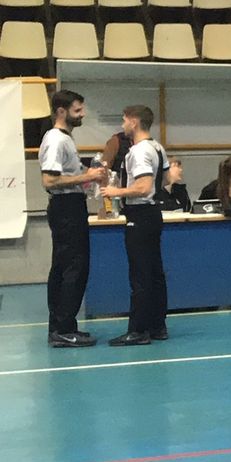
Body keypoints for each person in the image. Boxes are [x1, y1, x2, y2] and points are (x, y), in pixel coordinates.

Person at [40, 89, 106, 348]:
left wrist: (86, 173)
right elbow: (50, 179)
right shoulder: (56, 140)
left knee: (65, 266)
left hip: (70, 205)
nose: (82, 115)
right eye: (77, 111)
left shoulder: (65, 139)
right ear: (61, 111)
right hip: (66, 207)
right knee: (73, 267)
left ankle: (62, 325)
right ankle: (63, 328)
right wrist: (86, 177)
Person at [102, 105, 171, 346]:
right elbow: (167, 178)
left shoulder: (140, 151)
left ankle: (138, 330)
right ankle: (157, 325)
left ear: (134, 121)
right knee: (154, 272)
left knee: (140, 273)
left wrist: (115, 191)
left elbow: (143, 186)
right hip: (153, 212)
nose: (122, 125)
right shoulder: (157, 147)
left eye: (124, 120)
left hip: (140, 213)